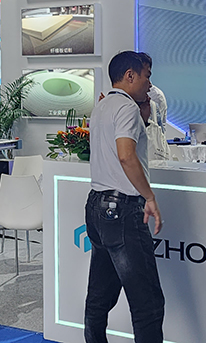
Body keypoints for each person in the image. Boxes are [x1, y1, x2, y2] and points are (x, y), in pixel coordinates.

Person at [84, 51, 164, 343]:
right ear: (130, 76)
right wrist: (149, 197)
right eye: (146, 76)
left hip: (97, 206)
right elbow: (126, 156)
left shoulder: (101, 106)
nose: (149, 84)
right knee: (147, 303)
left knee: (99, 296)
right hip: (123, 210)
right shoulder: (127, 108)